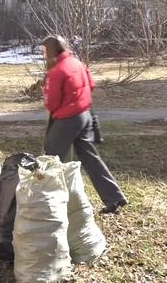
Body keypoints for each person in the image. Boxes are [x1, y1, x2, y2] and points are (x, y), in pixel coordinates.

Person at [41, 35, 128, 214]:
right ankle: (114, 198)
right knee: (89, 157)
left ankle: (48, 205)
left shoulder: (56, 71)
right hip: (84, 115)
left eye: (44, 51)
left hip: (66, 121)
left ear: (51, 51)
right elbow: (91, 84)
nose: (43, 54)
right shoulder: (76, 63)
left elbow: (51, 103)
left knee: (51, 158)